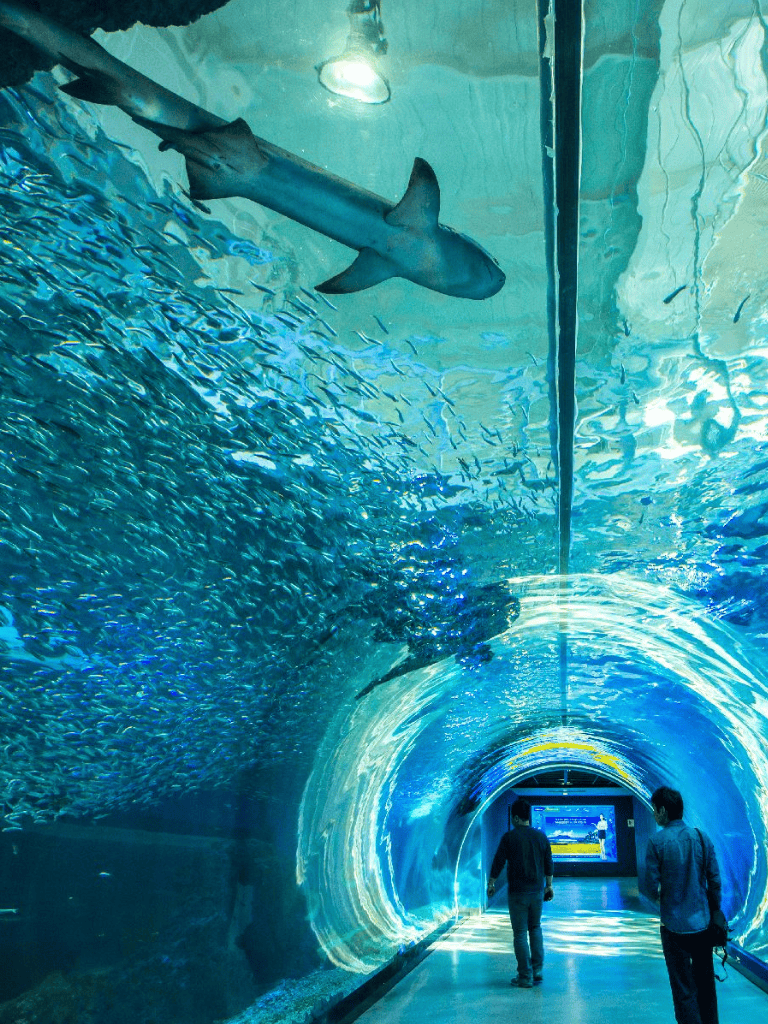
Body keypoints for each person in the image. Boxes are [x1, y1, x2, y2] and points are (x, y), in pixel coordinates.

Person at [644, 786, 722, 1024]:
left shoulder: (656, 841)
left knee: (683, 988)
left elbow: (649, 886)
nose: (654, 815)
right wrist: (714, 910)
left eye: (655, 810)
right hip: (702, 924)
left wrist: (663, 900)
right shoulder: (701, 836)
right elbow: (715, 880)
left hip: (673, 928)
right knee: (706, 983)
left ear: (664, 811)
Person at [486, 796, 554, 988]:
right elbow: (549, 864)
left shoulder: (509, 837)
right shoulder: (541, 837)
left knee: (519, 934)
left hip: (517, 893)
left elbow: (498, 861)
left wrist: (491, 883)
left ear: (515, 818)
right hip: (537, 892)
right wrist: (548, 886)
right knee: (535, 928)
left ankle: (525, 976)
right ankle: (537, 970)